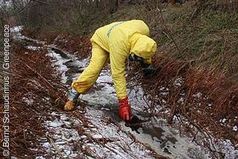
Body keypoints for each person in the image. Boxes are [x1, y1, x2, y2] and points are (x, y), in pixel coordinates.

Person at [64, 20, 157, 121]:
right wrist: (123, 103)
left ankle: (146, 66)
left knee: (143, 52)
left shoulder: (144, 30)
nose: (134, 61)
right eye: (134, 57)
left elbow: (145, 46)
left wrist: (147, 63)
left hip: (116, 33)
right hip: (101, 39)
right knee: (95, 69)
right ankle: (73, 95)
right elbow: (117, 74)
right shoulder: (120, 47)